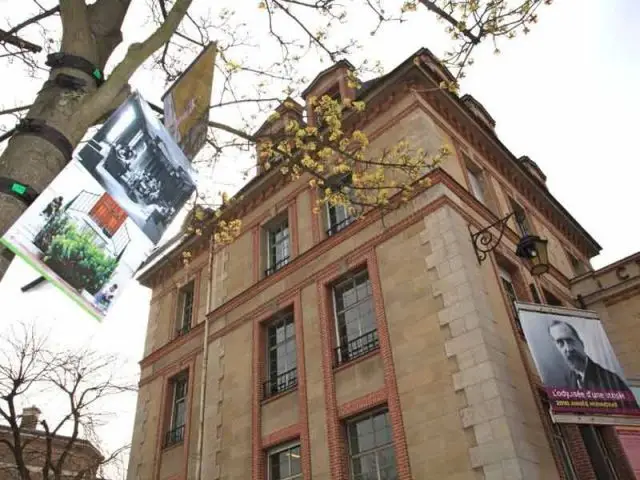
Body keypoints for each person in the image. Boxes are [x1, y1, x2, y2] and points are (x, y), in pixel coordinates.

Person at [549, 320, 635, 398]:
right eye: (560, 343)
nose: (568, 348)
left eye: (570, 341)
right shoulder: (566, 382)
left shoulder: (612, 380)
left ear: (581, 343)